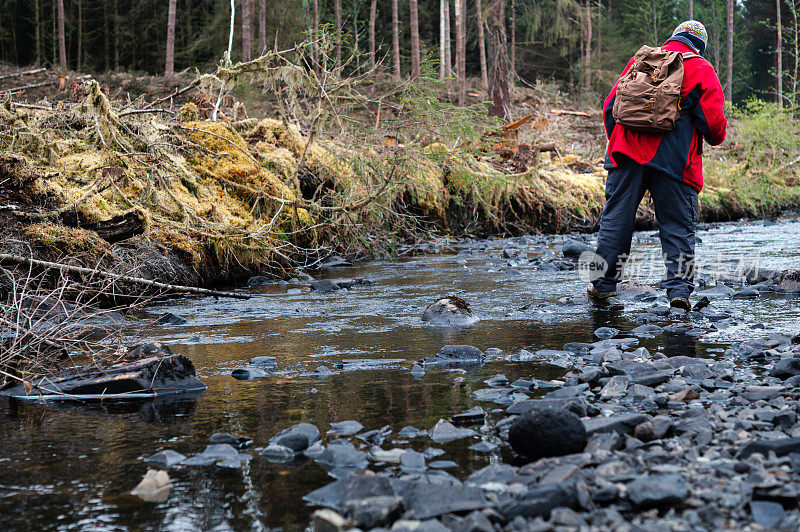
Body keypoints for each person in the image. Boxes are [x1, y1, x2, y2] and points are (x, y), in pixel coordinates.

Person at [587, 20, 727, 310]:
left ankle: (602, 286)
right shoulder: (701, 68)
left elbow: (609, 106)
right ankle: (678, 293)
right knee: (677, 226)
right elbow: (714, 128)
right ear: (699, 45)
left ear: (674, 37)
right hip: (675, 161)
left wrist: (620, 142)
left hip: (625, 154)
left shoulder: (642, 60)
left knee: (616, 221)